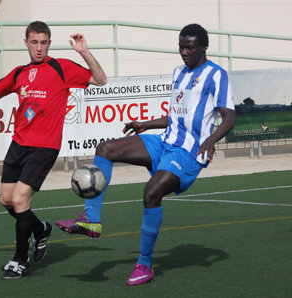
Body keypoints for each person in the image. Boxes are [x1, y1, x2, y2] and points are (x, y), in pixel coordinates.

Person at [56, 23, 235, 286]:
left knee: (151, 194)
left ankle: (144, 264)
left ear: (204, 47)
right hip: (164, 142)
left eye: (190, 47)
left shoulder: (216, 75)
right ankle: (91, 220)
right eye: (181, 46)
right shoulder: (179, 73)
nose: (184, 52)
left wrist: (210, 139)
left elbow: (230, 117)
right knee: (105, 149)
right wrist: (146, 124)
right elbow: (176, 116)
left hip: (188, 153)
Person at [0, 21, 107, 279]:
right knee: (6, 200)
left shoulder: (60, 67)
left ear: (49, 43)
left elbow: (100, 79)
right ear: (26, 43)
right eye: (34, 42)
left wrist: (84, 52)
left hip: (44, 148)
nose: (39, 48)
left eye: (43, 42)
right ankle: (40, 229)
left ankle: (20, 260)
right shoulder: (20, 73)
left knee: (19, 201)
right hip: (18, 145)